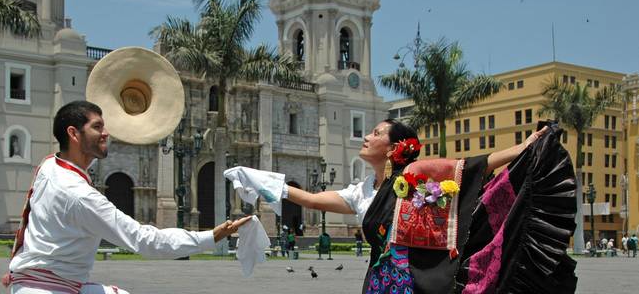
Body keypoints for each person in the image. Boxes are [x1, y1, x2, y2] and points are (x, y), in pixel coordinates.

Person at [225, 119, 576, 293]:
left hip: (417, 280)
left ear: (394, 147)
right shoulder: (362, 191)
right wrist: (261, 181)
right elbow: (312, 199)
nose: (366, 137)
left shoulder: (416, 174)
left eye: (376, 133)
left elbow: (473, 167)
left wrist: (525, 147)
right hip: (380, 281)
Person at [5, 101, 250, 294]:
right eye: (97, 127)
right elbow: (145, 241)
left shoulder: (49, 165)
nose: (106, 133)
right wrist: (212, 236)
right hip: (51, 288)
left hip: (31, 281)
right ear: (73, 133)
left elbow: (26, 219)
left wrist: (16, 267)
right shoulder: (80, 195)